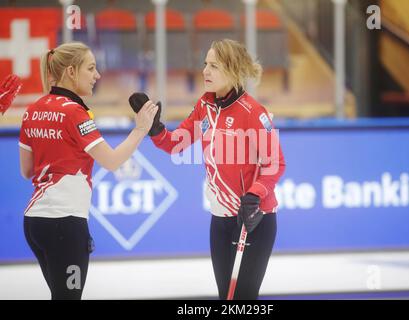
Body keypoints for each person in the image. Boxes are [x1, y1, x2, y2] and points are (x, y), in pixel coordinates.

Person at [133, 39, 286, 299]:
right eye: (205, 64)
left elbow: (275, 163)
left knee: (243, 300)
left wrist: (254, 195)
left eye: (213, 66)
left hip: (253, 219)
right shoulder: (205, 106)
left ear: (232, 69)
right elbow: (176, 144)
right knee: (225, 297)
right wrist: (156, 129)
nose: (205, 71)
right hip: (220, 220)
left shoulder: (253, 112)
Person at [18, 42, 158, 300]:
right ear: (71, 71)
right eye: (91, 68)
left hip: (34, 223)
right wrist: (141, 129)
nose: (98, 75)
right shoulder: (75, 113)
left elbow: (27, 171)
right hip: (65, 224)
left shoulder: (32, 110)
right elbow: (113, 161)